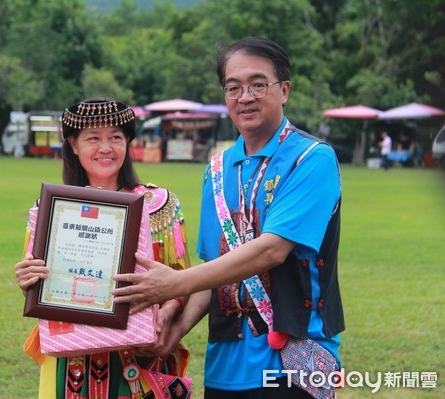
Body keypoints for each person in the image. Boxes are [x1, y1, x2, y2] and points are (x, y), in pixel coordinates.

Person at [113, 37, 345, 398]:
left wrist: (174, 284)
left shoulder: (312, 159)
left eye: (257, 84)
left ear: (284, 90)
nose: (245, 97)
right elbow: (214, 271)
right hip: (225, 367)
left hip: (293, 363)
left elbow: (272, 251)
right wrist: (175, 331)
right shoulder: (218, 169)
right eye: (233, 87)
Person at [14, 97, 193, 399]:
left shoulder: (159, 205)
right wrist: (27, 279)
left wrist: (169, 310)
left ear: (128, 143)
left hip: (140, 355)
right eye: (93, 138)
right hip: (71, 360)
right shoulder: (51, 209)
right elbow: (39, 285)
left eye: (116, 138)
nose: (106, 148)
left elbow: (184, 279)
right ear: (73, 145)